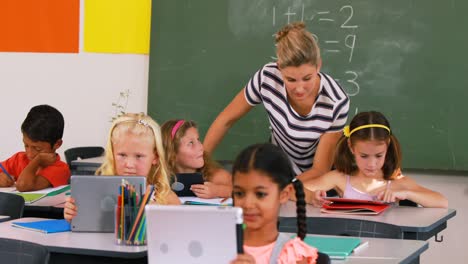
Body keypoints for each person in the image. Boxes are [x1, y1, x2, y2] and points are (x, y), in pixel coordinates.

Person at [204, 22, 349, 183]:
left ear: (318, 65)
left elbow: (320, 169)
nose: (300, 89)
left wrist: (281, 189)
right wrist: (202, 162)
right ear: (279, 68)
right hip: (276, 169)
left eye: (307, 78)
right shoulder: (266, 78)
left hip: (313, 182)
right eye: (291, 79)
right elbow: (226, 120)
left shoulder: (336, 102)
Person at [304, 111, 448, 208]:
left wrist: (407, 194)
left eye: (379, 155)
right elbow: (292, 190)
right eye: (364, 156)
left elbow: (442, 202)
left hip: (387, 249)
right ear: (351, 147)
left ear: (388, 146)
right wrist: (311, 197)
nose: (372, 164)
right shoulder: (339, 178)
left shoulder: (397, 183)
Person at [64, 113, 180, 221]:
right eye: (122, 155)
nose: (129, 164)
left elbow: (179, 230)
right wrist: (73, 216)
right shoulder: (97, 194)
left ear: (155, 157)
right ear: (112, 154)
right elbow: (84, 225)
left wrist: (158, 215)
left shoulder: (165, 198)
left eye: (139, 156)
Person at [230, 143, 318, 264]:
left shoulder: (293, 256)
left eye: (260, 194)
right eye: (239, 193)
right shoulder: (217, 246)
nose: (248, 204)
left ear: (284, 194)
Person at [0, 104, 70, 191]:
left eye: (38, 149)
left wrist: (38, 159)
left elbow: (23, 186)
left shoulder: (61, 169)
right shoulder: (19, 159)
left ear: (57, 144)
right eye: (26, 145)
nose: (29, 154)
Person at [161, 119, 232, 198]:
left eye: (198, 140)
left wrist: (218, 191)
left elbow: (241, 192)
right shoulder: (159, 178)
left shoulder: (218, 176)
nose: (201, 147)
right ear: (172, 153)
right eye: (190, 143)